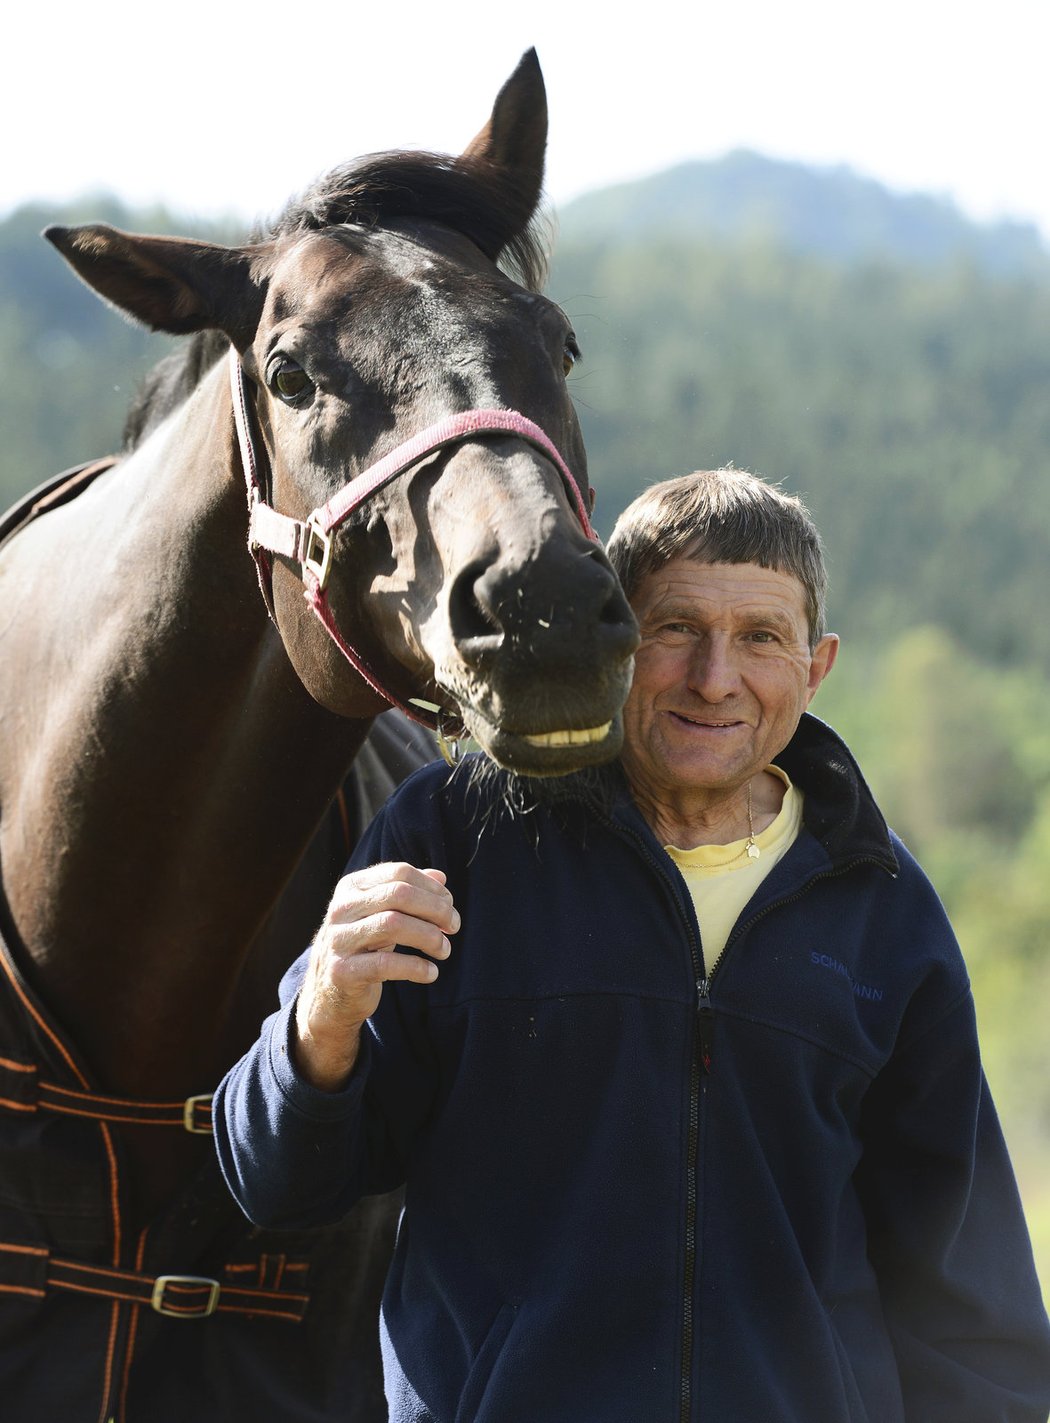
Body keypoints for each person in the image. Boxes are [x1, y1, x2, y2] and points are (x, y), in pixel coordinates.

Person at [215, 468, 1050, 1422]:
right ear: (612, 642)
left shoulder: (884, 905)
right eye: (677, 629)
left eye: (760, 639)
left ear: (814, 668)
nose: (715, 676)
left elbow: (969, 1299)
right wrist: (318, 1025)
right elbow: (276, 1183)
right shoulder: (459, 840)